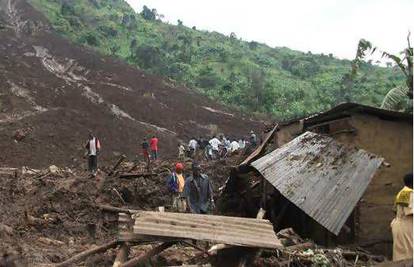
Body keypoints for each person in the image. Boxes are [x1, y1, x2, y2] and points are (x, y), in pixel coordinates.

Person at [391, 173, 413, 261]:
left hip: (401, 225)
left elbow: (394, 210)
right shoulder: (409, 193)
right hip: (405, 227)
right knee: (408, 256)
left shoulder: (403, 192)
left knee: (401, 254)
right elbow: (410, 212)